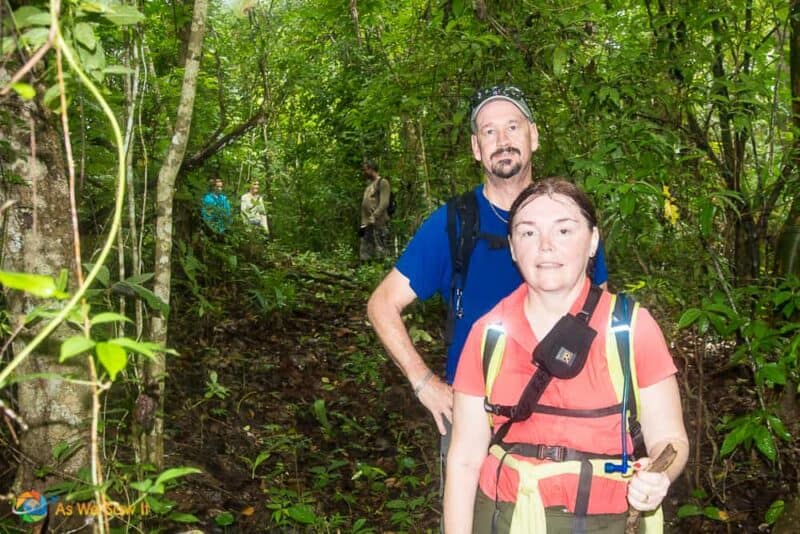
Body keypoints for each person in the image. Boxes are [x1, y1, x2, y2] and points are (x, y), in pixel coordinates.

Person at [367, 86, 608, 454]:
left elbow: (601, 314)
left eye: (513, 127)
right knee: (464, 513)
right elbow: (382, 304)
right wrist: (423, 381)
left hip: (567, 417)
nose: (503, 140)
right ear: (476, 148)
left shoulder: (568, 219)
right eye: (489, 131)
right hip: (476, 420)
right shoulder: (454, 223)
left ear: (534, 136)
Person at [443, 178, 689, 533]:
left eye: (564, 230)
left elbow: (671, 439)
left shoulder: (631, 329)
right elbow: (465, 460)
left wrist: (658, 476)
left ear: (592, 241)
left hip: (609, 521)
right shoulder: (487, 335)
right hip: (502, 517)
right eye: (528, 233)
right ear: (513, 248)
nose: (545, 247)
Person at [360, 160, 391, 261]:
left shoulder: (383, 182)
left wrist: (374, 216)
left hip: (378, 223)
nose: (363, 172)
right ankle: (367, 274)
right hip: (366, 225)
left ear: (371, 169)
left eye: (365, 170)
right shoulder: (368, 186)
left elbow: (384, 202)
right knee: (365, 255)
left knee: (381, 253)